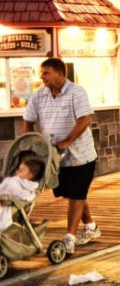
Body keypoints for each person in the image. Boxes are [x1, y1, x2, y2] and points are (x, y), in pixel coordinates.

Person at [23, 58, 100, 254]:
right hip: (55, 157)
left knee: (76, 194)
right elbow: (28, 121)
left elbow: (85, 118)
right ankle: (91, 226)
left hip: (81, 156)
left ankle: (69, 238)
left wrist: (67, 141)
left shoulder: (77, 92)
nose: (42, 76)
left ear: (59, 73)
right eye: (42, 73)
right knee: (72, 193)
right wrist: (31, 143)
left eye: (46, 72)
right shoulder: (38, 96)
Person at [0, 156, 43, 231]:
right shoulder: (29, 187)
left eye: (20, 171)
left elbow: (14, 190)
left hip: (6, 203)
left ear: (30, 175)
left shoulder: (18, 183)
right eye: (18, 169)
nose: (16, 172)